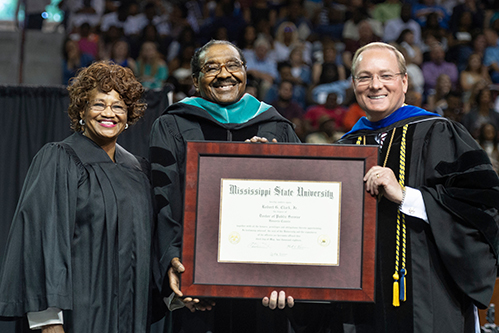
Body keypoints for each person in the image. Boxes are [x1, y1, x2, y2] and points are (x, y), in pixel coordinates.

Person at [267, 42, 499, 332]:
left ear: (404, 81)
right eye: (365, 77)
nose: (375, 85)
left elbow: (483, 208)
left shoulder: (440, 132)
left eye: (386, 75)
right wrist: (265, 167)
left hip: (429, 300)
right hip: (358, 311)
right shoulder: (343, 150)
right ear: (353, 85)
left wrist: (407, 196)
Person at [149, 39, 300, 333]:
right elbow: (162, 198)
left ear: (245, 71)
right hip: (198, 278)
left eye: (233, 65)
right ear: (195, 80)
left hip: (262, 281)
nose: (224, 74)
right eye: (211, 68)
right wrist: (173, 259)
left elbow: (296, 201)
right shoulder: (173, 125)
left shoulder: (277, 127)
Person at [0, 61, 155, 332]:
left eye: (118, 106)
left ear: (128, 115)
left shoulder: (137, 169)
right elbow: (41, 238)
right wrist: (48, 321)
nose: (109, 113)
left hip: (130, 315)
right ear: (82, 110)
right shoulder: (60, 158)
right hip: (78, 316)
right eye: (98, 104)